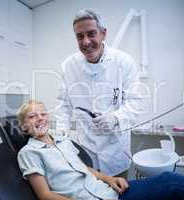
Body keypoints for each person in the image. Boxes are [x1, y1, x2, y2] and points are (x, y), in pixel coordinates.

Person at [17, 100, 184, 200]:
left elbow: (85, 169)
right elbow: (44, 195)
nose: (40, 118)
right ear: (24, 127)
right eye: (32, 116)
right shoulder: (29, 153)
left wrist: (109, 179)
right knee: (173, 187)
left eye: (43, 113)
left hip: (110, 192)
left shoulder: (63, 141)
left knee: (170, 180)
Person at [55, 9, 141, 177]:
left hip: (116, 151)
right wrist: (60, 140)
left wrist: (116, 118)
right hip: (86, 153)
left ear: (103, 33)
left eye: (91, 34)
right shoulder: (69, 66)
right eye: (80, 36)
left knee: (119, 192)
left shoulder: (124, 62)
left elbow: (135, 102)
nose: (86, 41)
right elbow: (62, 106)